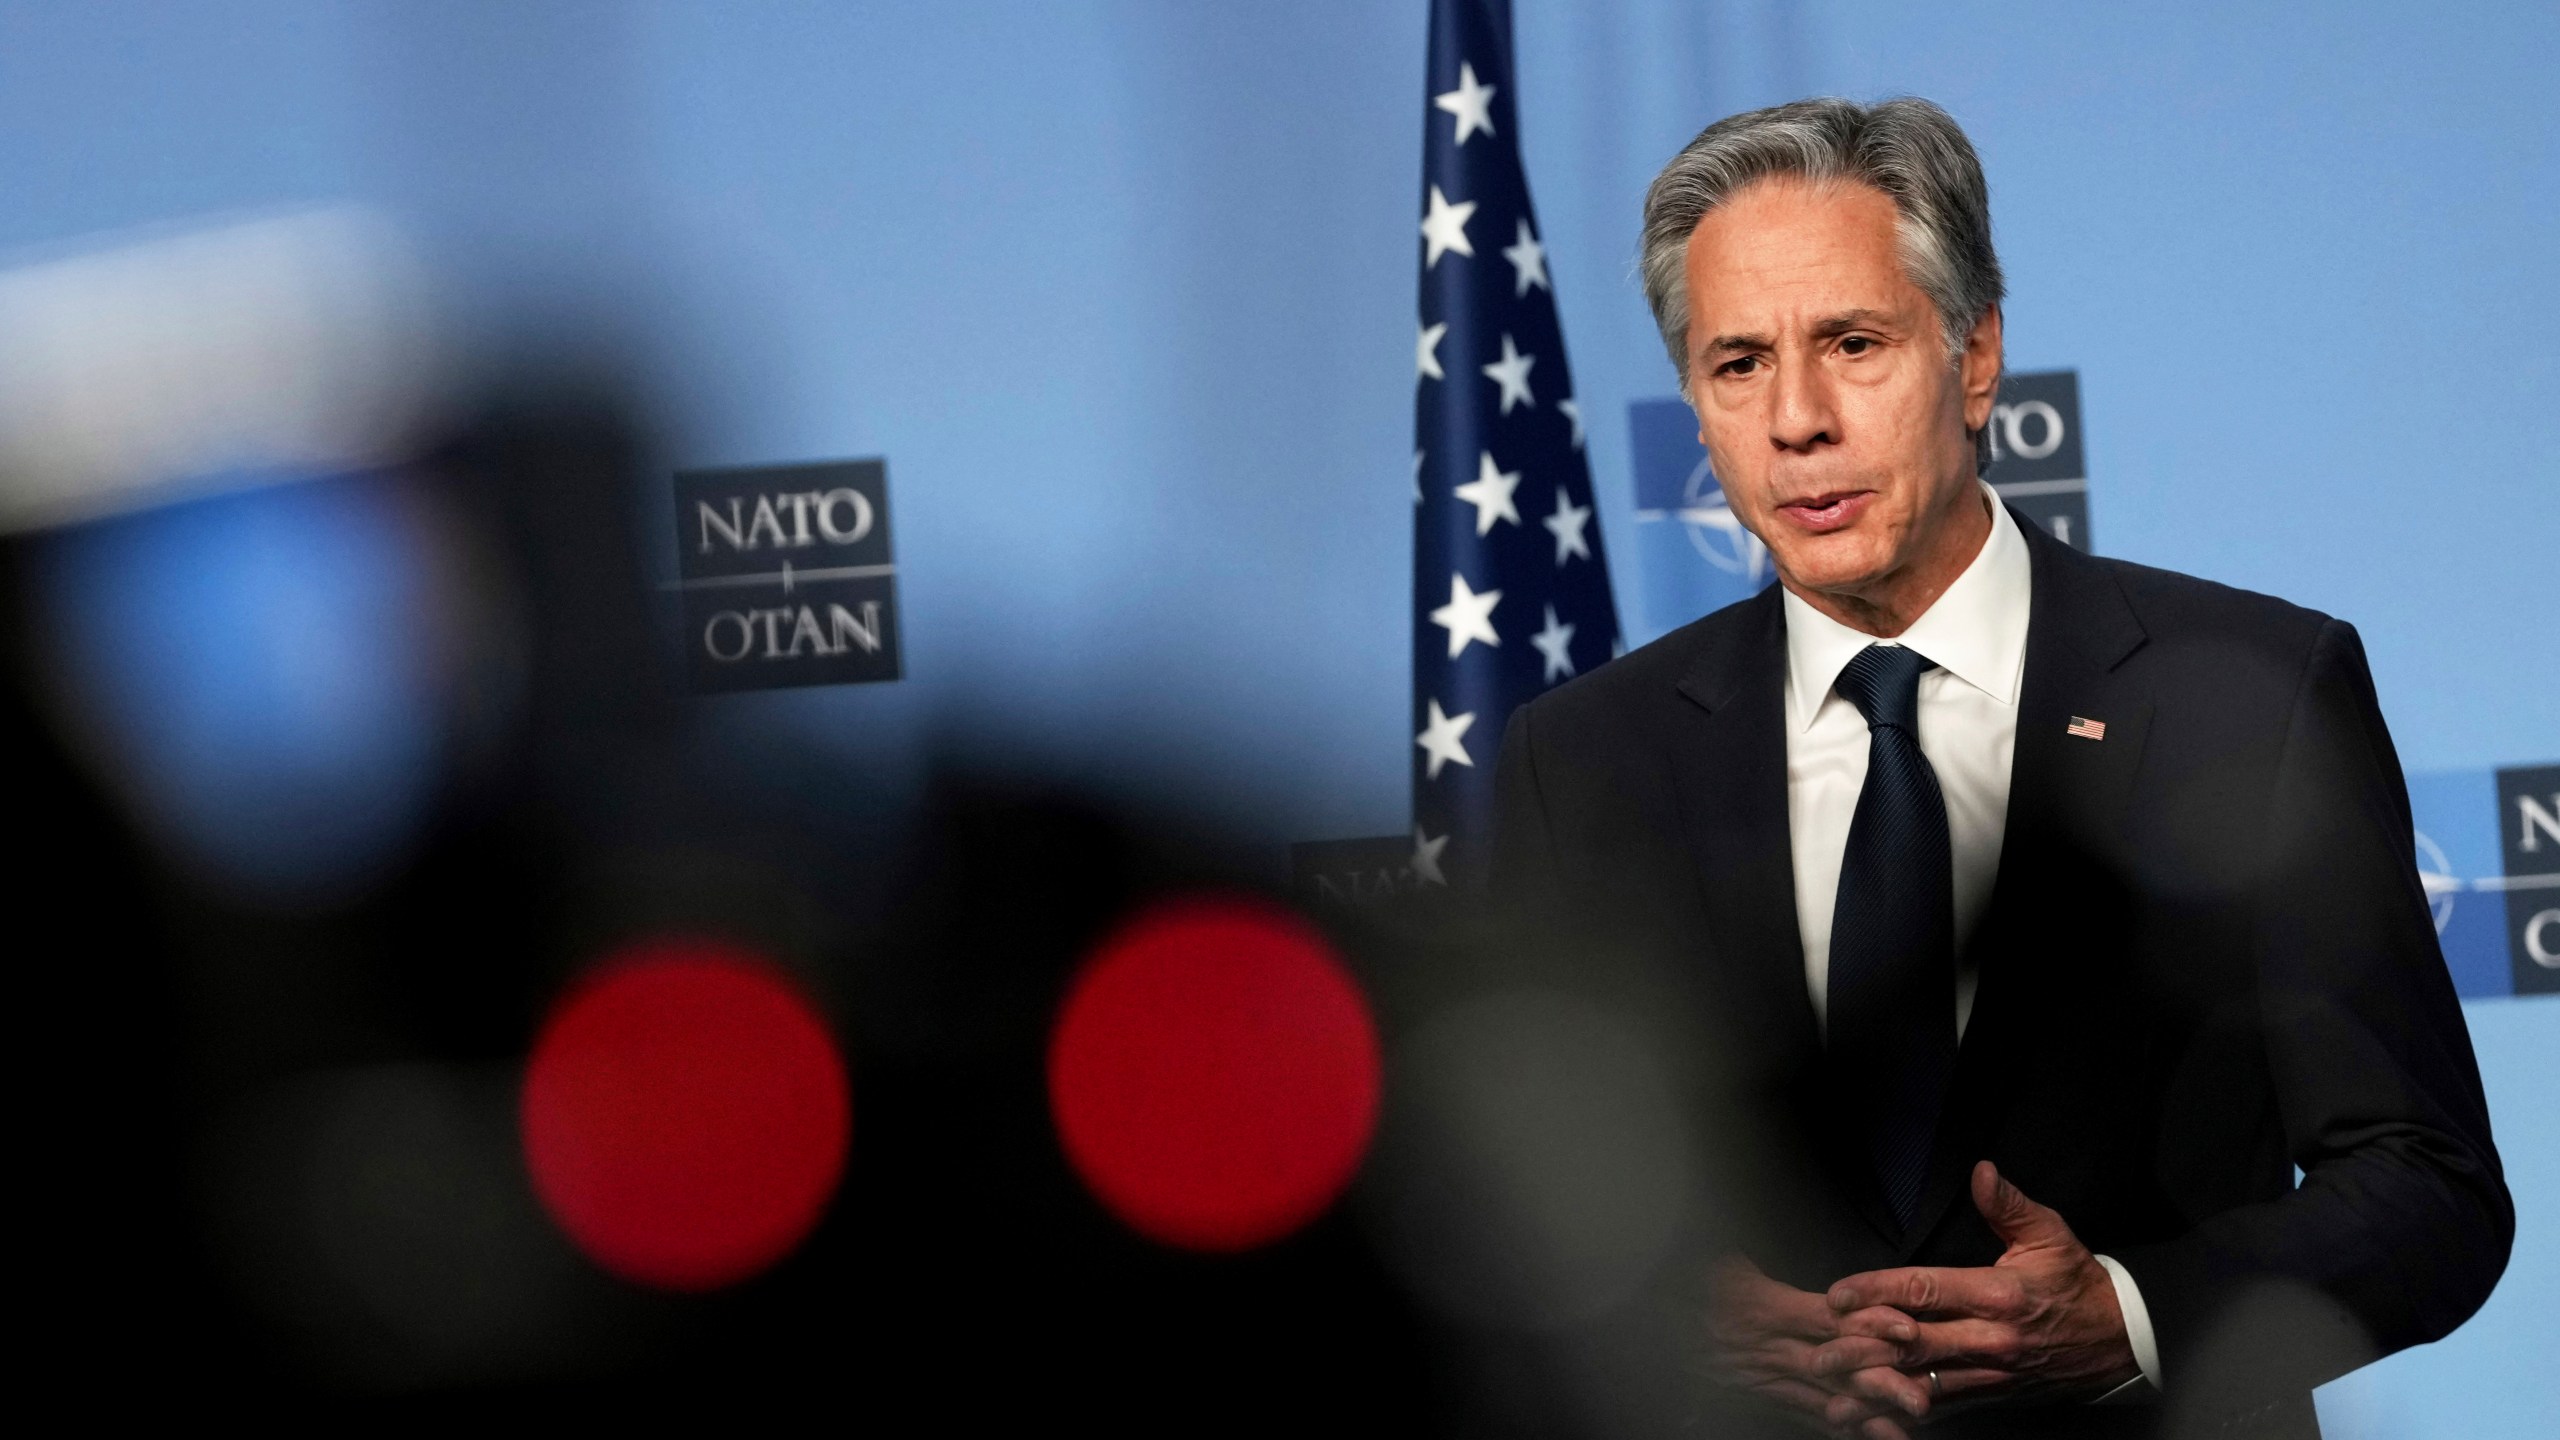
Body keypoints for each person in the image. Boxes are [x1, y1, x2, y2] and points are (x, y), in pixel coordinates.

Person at [1489, 98, 2509, 1439]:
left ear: (1975, 360)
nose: (1797, 418)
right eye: (1738, 362)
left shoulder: (2253, 699)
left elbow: (2428, 1190)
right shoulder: (1584, 760)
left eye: (1852, 344)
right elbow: (1506, 1217)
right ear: (1693, 401)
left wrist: (2134, 1318)